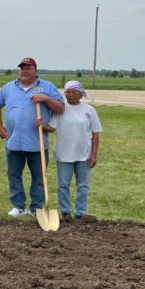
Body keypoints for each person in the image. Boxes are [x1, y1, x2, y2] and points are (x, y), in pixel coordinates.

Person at [0, 57, 65, 217]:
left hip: (37, 142)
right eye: (22, 68)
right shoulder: (9, 88)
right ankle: (18, 205)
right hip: (13, 141)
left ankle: (36, 208)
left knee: (39, 177)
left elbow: (60, 108)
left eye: (28, 68)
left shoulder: (46, 87)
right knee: (13, 175)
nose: (24, 71)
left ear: (35, 70)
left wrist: (45, 98)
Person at [42, 80, 102, 219]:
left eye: (74, 92)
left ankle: (80, 213)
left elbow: (96, 133)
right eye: (68, 92)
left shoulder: (89, 110)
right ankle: (65, 212)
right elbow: (52, 128)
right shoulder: (60, 109)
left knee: (83, 185)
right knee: (63, 184)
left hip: (84, 154)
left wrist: (93, 154)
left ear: (80, 93)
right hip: (64, 153)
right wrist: (41, 125)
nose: (71, 95)